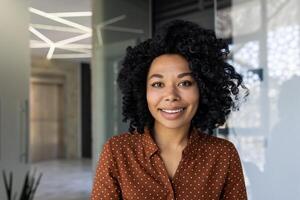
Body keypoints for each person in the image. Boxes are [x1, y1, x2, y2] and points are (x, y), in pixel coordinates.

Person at [91, 19, 248, 200]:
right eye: (158, 84)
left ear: (203, 89)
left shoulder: (223, 154)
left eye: (185, 83)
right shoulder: (117, 152)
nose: (171, 95)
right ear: (143, 91)